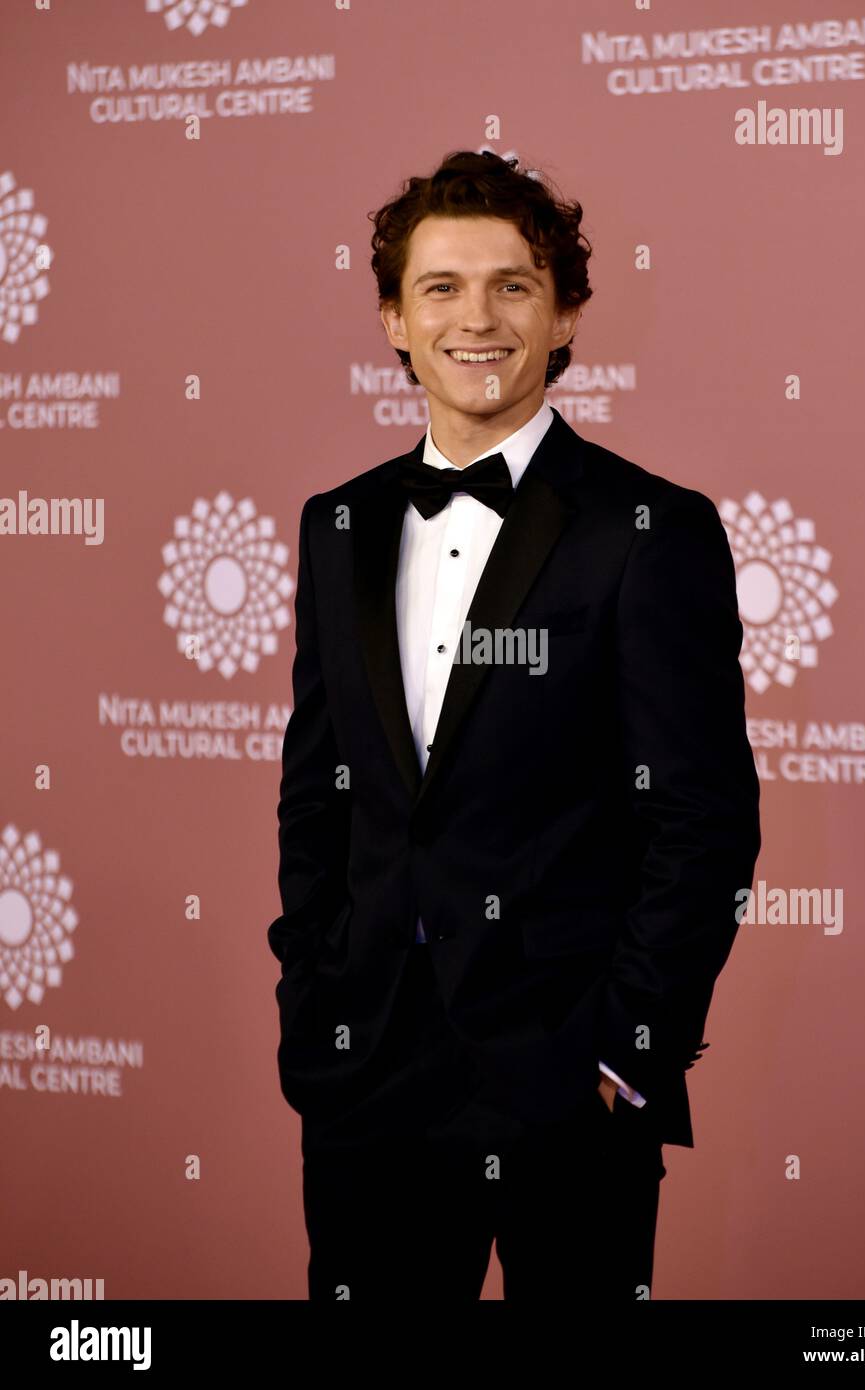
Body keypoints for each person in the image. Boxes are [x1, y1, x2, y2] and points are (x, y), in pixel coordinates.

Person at [267, 149, 761, 1302]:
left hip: (563, 1078)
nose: (474, 317)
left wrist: (624, 1052)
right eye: (439, 287)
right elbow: (316, 791)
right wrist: (313, 1003)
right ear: (393, 318)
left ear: (566, 311)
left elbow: (703, 818)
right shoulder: (335, 525)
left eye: (513, 284)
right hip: (367, 1071)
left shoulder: (649, 528)